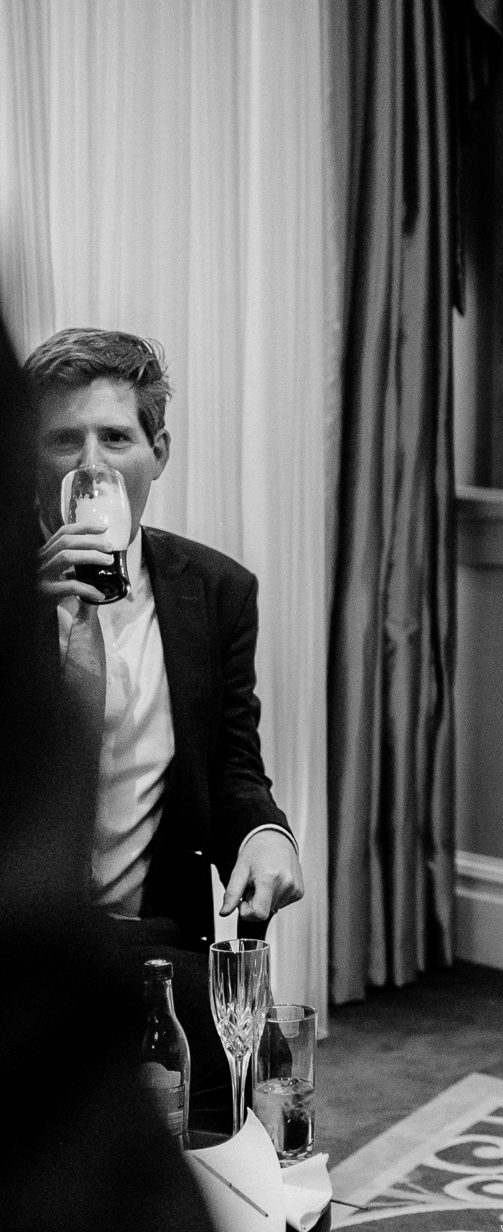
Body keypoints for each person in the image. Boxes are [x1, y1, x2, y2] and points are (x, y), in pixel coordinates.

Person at [29, 328, 304, 1129]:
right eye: (63, 439)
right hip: (18, 946)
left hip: (150, 944)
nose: (91, 463)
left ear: (158, 451)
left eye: (115, 437)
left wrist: (265, 834)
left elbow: (231, 767)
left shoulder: (216, 592)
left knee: (251, 1107)